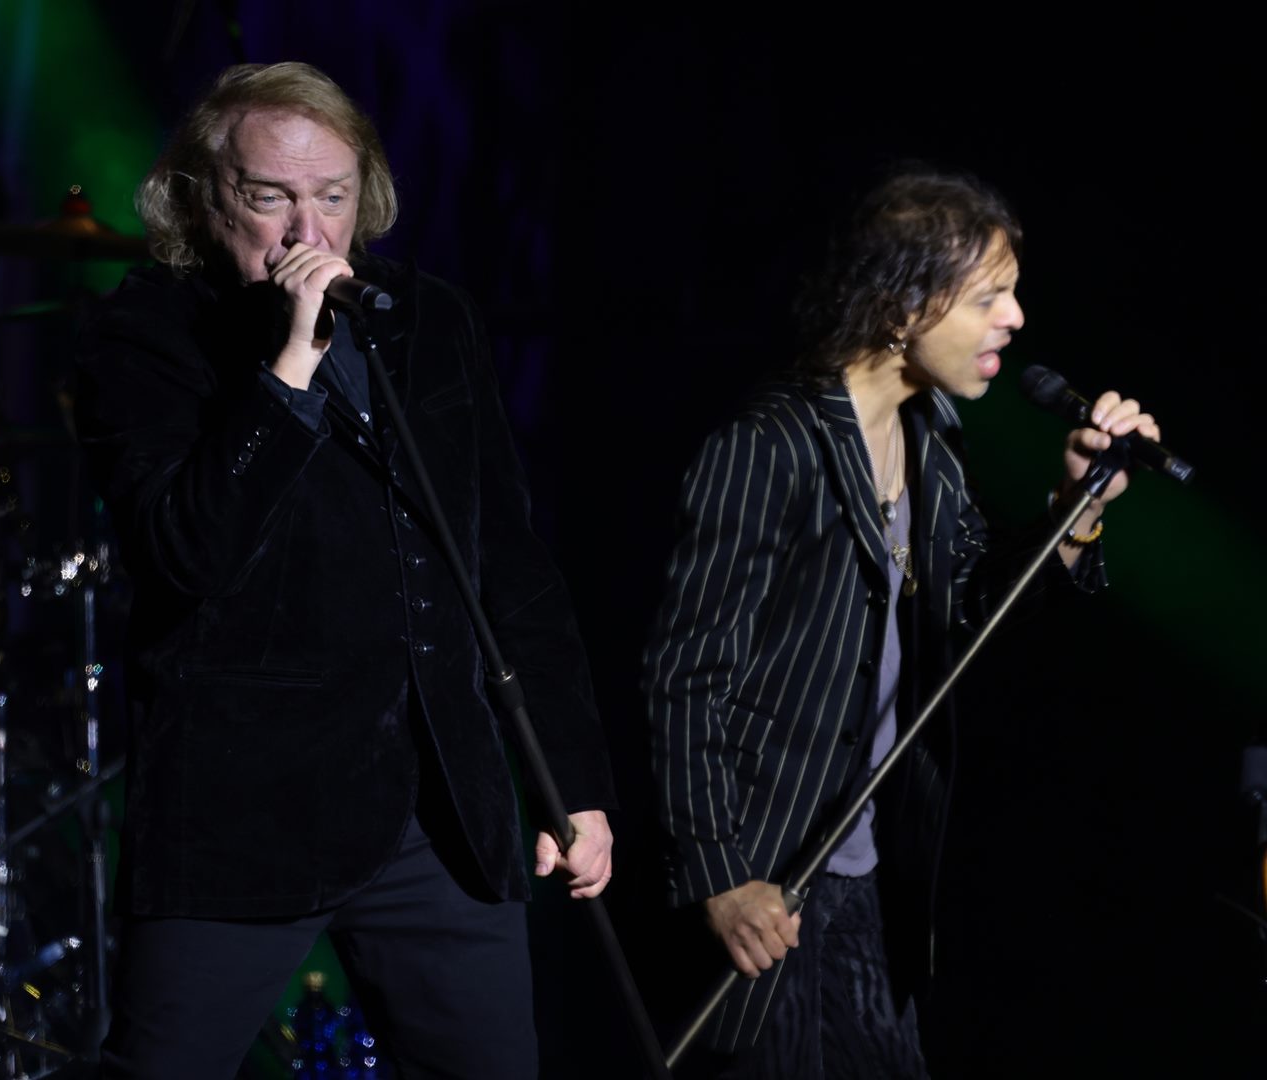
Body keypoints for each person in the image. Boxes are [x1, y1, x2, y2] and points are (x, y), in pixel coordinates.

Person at [75, 62, 615, 1078]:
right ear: (202, 197)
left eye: (331, 196)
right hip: (245, 815)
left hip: (438, 814)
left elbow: (507, 560)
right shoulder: (148, 333)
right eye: (270, 197)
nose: (306, 233)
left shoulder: (433, 320)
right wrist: (288, 369)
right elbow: (186, 550)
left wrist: (569, 779)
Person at [641, 169, 1162, 1077]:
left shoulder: (934, 442)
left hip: (864, 882)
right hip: (766, 883)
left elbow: (974, 627)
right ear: (900, 306)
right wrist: (721, 878)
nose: (1017, 319)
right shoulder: (770, 447)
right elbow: (683, 682)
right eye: (990, 296)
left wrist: (1079, 506)